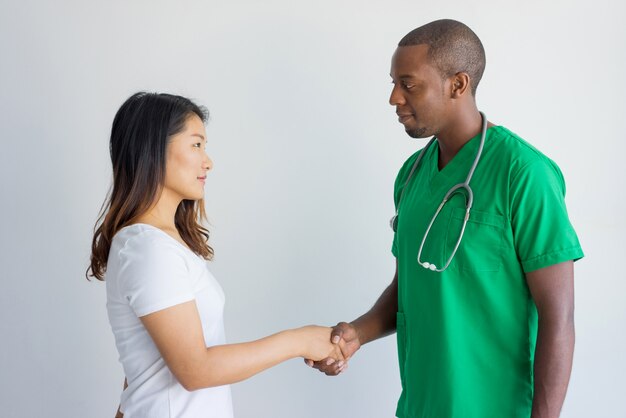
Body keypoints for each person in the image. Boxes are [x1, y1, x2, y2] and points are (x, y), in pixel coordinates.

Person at [307, 19, 584, 418]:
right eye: (393, 83)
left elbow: (560, 318)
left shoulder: (523, 173)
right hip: (420, 406)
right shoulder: (412, 175)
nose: (393, 98)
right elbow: (412, 284)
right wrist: (357, 334)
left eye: (408, 84)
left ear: (458, 84)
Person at [88, 92, 343, 418]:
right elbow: (195, 370)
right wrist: (299, 341)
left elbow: (140, 367)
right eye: (196, 145)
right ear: (152, 149)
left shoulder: (157, 245)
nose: (208, 161)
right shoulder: (149, 249)